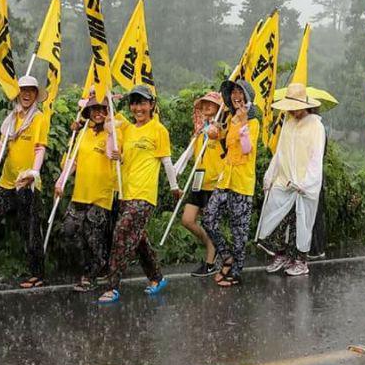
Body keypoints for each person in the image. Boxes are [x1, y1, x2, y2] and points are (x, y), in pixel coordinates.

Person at [97, 84, 178, 303]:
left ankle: (112, 286)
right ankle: (157, 277)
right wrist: (118, 157)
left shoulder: (158, 130)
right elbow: (110, 126)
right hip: (126, 193)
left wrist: (174, 186)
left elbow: (166, 161)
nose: (137, 108)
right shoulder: (129, 129)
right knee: (139, 238)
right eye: (134, 103)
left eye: (142, 102)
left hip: (144, 194)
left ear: (151, 105)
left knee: (121, 232)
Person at [0, 74, 49, 289]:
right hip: (6, 180)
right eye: (23, 90)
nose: (27, 94)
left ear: (36, 95)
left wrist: (34, 172)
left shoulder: (38, 118)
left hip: (26, 182)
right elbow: (2, 142)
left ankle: (36, 273)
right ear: (18, 94)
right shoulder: (12, 118)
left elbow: (40, 148)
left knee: (29, 229)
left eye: (31, 90)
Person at [258, 82, 326, 277]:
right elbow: (280, 153)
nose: (294, 112)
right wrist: (270, 175)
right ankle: (281, 255)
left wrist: (307, 183)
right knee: (278, 220)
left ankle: (300, 261)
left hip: (303, 185)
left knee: (300, 224)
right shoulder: (288, 124)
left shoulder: (315, 125)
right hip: (284, 181)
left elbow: (316, 156)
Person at [54, 89, 116, 291]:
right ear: (88, 112)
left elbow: (112, 153)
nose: (98, 113)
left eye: (102, 109)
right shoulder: (81, 134)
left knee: (93, 234)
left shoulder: (114, 131)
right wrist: (61, 182)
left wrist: (110, 129)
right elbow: (71, 163)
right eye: (94, 109)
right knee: (68, 231)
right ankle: (92, 267)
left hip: (101, 194)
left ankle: (91, 274)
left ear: (108, 110)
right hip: (81, 193)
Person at [202, 78, 260, 288]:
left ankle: (235, 272)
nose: (236, 96)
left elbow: (246, 148)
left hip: (242, 183)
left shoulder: (253, 122)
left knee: (239, 230)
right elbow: (220, 135)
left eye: (240, 92)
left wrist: (243, 123)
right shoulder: (231, 118)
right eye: (234, 92)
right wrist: (214, 130)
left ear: (248, 97)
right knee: (208, 218)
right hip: (224, 179)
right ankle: (226, 256)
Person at [172, 91, 227, 277]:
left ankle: (210, 263)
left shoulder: (221, 128)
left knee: (211, 223)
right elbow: (189, 154)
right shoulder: (199, 130)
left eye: (210, 104)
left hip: (214, 183)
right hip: (198, 180)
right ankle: (213, 245)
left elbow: (223, 139)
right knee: (187, 220)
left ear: (219, 107)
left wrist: (215, 131)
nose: (206, 107)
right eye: (203, 104)